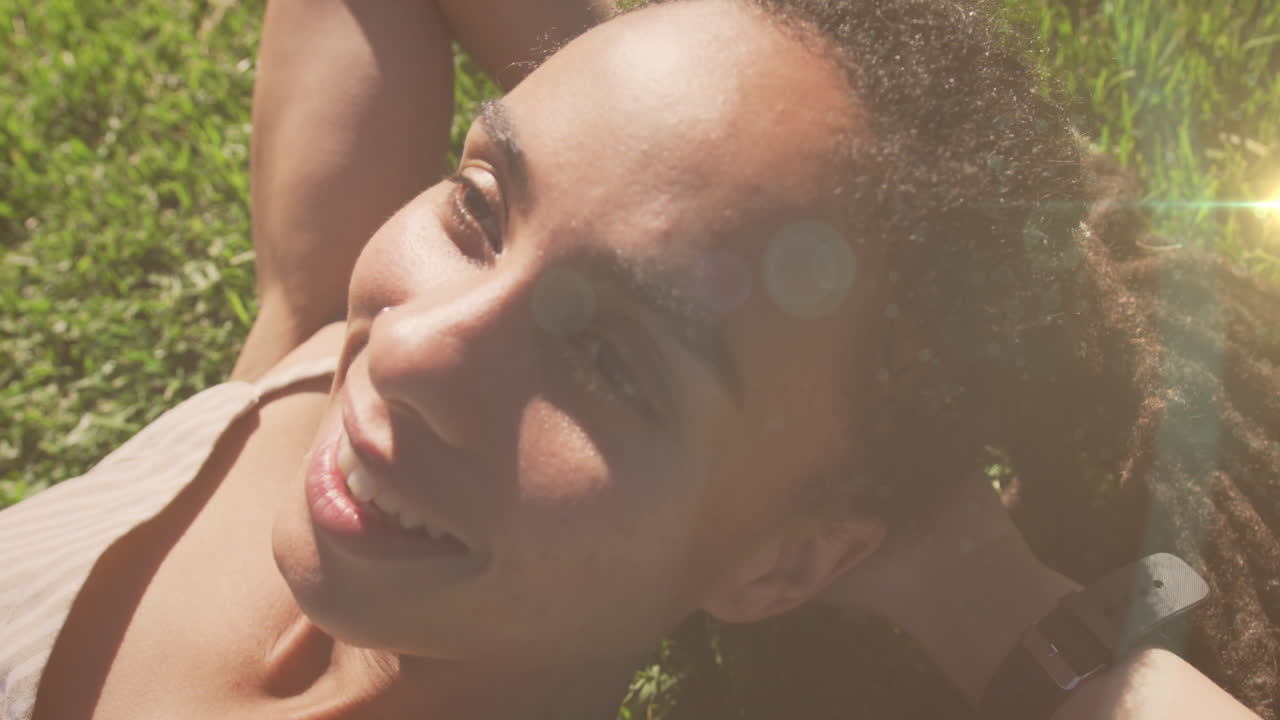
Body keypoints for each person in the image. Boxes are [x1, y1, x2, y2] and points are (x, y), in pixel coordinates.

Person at [0, 0, 1275, 718]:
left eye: (612, 363)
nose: (410, 349)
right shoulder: (304, 379)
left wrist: (982, 598)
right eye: (479, 207)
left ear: (785, 560)